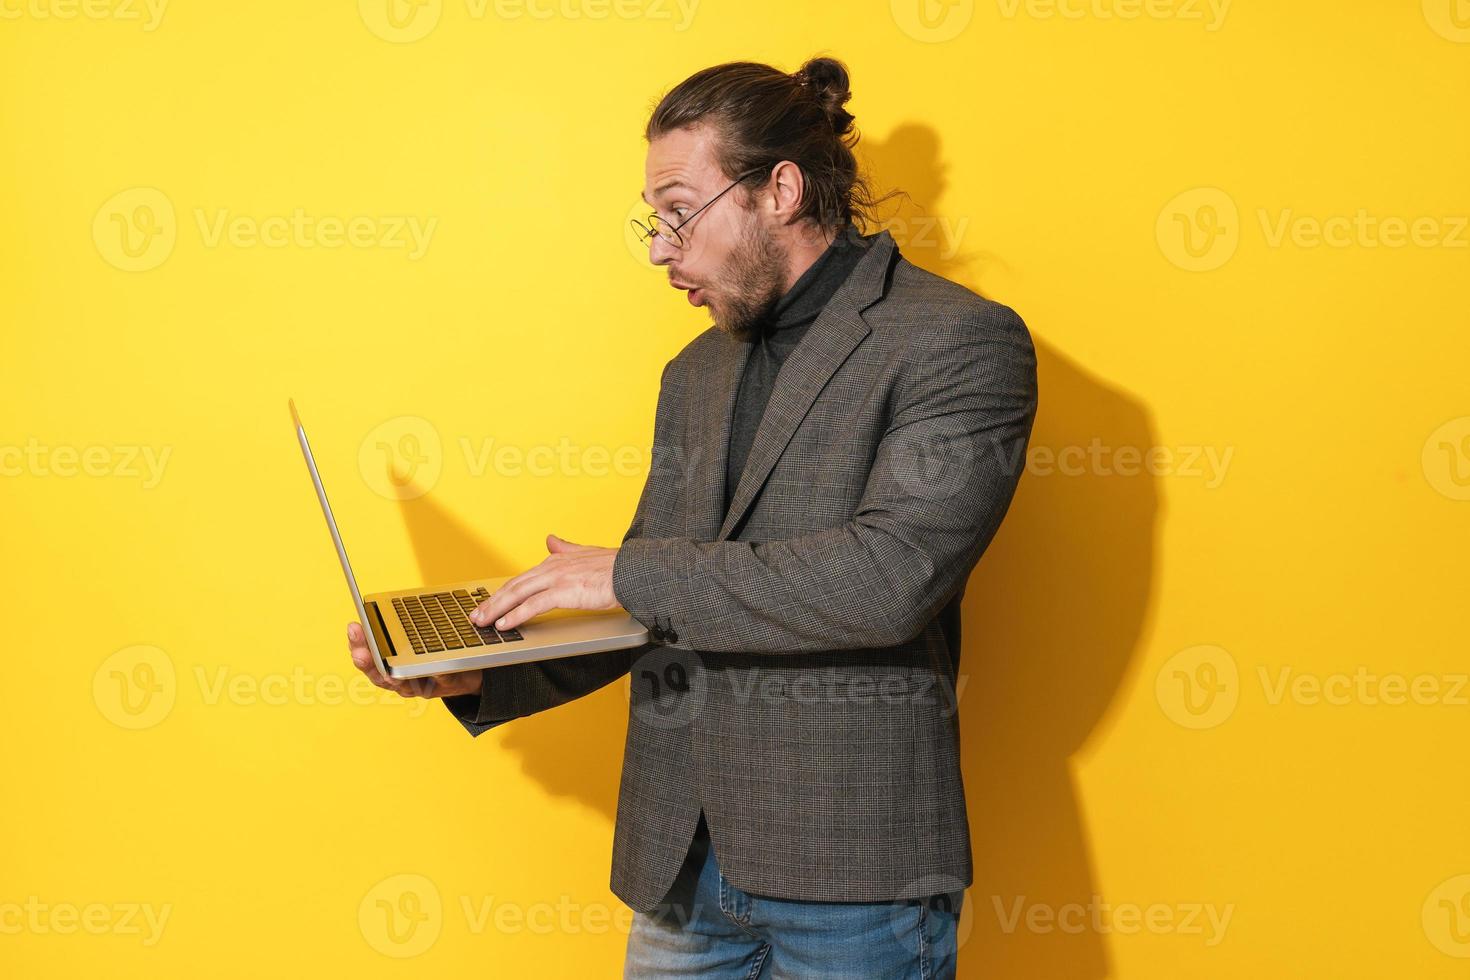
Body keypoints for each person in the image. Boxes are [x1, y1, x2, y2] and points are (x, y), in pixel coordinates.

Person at [346, 55, 1038, 979]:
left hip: (853, 876)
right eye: (654, 219)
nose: (659, 248)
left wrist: (627, 572)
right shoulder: (694, 371)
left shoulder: (956, 341)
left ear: (780, 191)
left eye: (679, 212)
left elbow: (888, 580)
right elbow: (652, 603)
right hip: (680, 871)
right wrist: (477, 674)